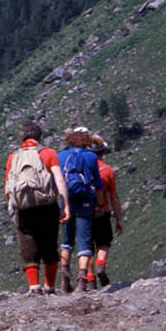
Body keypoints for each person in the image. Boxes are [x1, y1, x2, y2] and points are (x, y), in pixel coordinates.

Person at [4, 120, 70, 295]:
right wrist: (65, 205)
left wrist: (13, 208)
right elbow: (59, 180)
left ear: (22, 137)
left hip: (23, 209)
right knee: (49, 244)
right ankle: (50, 287)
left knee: (28, 245)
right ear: (39, 137)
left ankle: (34, 287)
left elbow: (7, 188)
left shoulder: (13, 157)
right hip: (47, 206)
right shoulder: (48, 153)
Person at [57, 123, 103, 292]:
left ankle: (64, 279)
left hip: (66, 201)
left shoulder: (60, 156)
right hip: (85, 200)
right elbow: (98, 184)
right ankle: (82, 282)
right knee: (84, 242)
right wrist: (99, 204)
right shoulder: (91, 157)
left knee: (67, 241)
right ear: (86, 140)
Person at [90, 134, 124, 287]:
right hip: (102, 213)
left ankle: (90, 281)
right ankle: (101, 265)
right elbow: (114, 198)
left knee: (87, 247)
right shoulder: (107, 170)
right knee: (103, 243)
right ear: (102, 152)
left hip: (84, 213)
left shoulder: (81, 170)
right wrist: (119, 220)